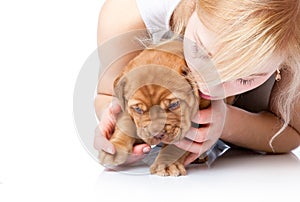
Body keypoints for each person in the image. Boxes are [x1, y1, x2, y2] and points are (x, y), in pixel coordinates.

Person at [94, 0, 300, 166]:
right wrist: (119, 130)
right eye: (202, 53)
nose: (211, 85)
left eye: (245, 77)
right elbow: (106, 95)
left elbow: (292, 134)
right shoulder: (128, 15)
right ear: (194, 5)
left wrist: (226, 123)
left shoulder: (292, 36)